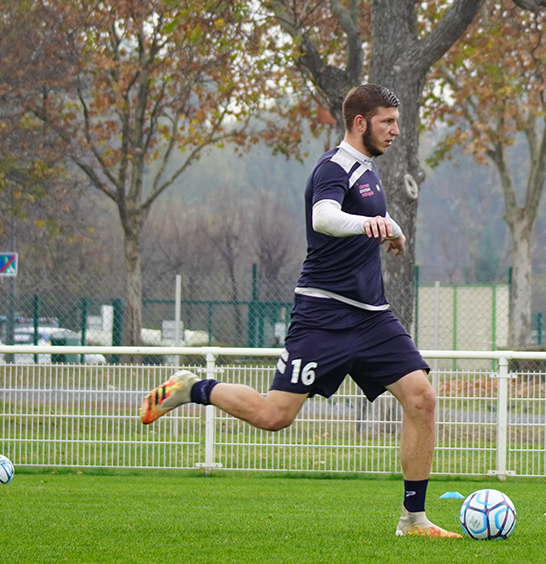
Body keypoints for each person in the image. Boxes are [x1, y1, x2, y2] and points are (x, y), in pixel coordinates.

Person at [141, 83, 460, 538]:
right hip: (324, 314)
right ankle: (193, 387)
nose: (396, 131)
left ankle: (413, 519)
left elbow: (359, 223)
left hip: (371, 316)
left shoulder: (368, 172)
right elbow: (324, 218)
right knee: (276, 416)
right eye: (388, 122)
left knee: (422, 398)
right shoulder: (332, 168)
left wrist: (390, 229)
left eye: (397, 122)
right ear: (360, 122)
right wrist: (373, 223)